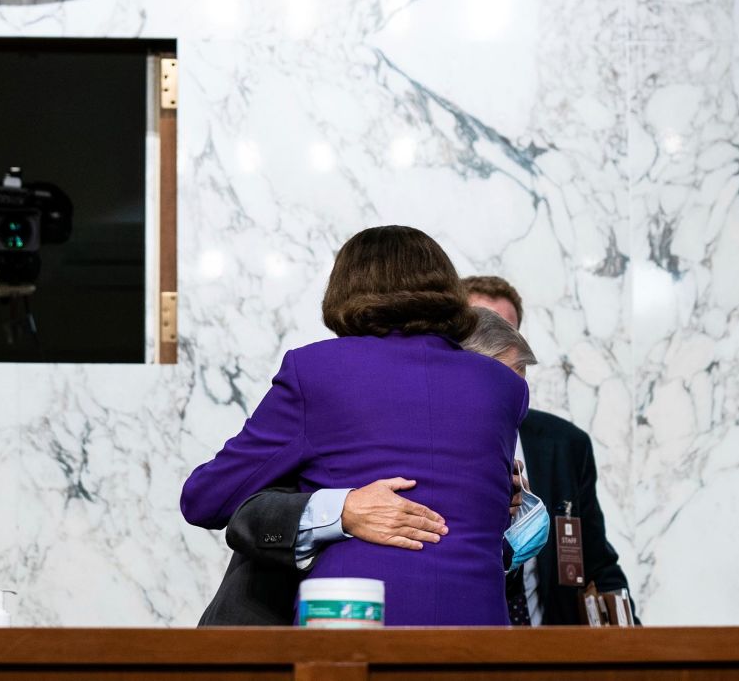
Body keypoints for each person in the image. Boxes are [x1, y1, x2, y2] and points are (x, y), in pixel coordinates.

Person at [181, 226, 527, 626]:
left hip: (357, 620)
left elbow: (206, 497)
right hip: (478, 622)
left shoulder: (316, 371)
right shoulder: (503, 386)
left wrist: (334, 506)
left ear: (345, 289)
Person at [462, 274, 636, 625]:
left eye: (505, 333)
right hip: (464, 644)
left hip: (549, 652)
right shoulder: (428, 441)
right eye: (481, 333)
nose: (494, 349)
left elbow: (596, 562)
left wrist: (635, 644)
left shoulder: (565, 444)